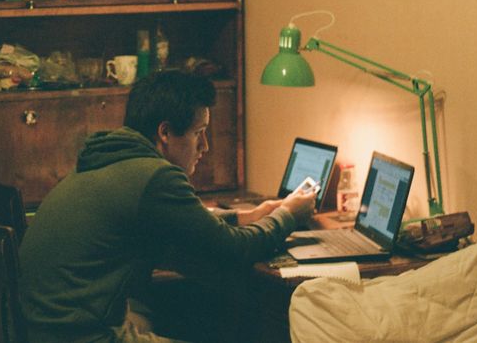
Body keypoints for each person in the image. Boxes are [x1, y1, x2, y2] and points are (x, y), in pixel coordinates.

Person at [18, 70, 316, 343]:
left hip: (45, 328)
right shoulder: (155, 175)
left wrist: (245, 215)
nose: (206, 146)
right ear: (165, 133)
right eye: (199, 133)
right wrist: (288, 214)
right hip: (85, 336)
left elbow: (187, 223)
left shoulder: (108, 159)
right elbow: (235, 249)